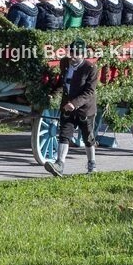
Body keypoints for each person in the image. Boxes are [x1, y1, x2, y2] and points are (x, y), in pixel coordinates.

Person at [45, 39, 98, 176]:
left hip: (84, 110)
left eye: (76, 54)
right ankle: (59, 164)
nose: (72, 56)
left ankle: (92, 165)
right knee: (64, 135)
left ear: (83, 54)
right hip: (67, 108)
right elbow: (62, 81)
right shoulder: (64, 63)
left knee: (88, 138)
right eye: (71, 52)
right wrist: (53, 93)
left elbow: (89, 92)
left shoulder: (90, 69)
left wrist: (74, 104)